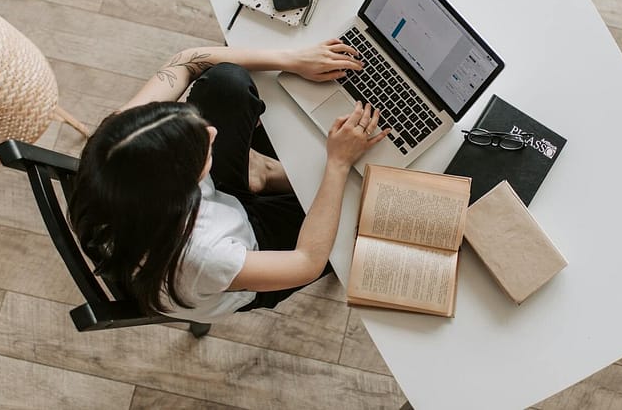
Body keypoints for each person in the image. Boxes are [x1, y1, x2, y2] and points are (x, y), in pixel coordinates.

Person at [69, 39, 389, 322]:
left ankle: (259, 175)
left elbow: (185, 61)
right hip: (249, 253)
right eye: (202, 149)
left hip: (202, 213)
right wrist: (337, 164)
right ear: (182, 188)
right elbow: (306, 262)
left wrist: (292, 59)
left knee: (225, 81)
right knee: (364, 212)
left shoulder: (116, 145)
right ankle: (264, 176)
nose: (212, 132)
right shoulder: (204, 256)